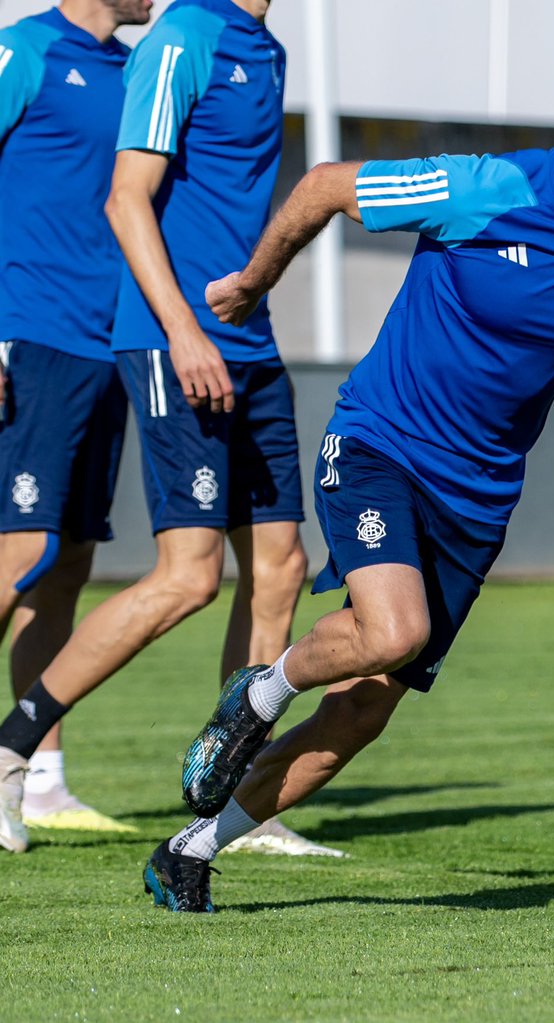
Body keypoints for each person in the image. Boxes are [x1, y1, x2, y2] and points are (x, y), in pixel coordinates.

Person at [138, 57, 554, 911]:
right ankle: (262, 690)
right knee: (394, 630)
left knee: (361, 715)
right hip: (380, 445)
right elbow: (325, 185)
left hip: (478, 501)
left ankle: (189, 850)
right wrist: (253, 282)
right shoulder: (484, 189)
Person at [0, 0, 341, 858]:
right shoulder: (180, 36)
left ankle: (238, 805)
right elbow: (128, 199)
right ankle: (11, 749)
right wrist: (184, 330)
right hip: (156, 339)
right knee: (179, 576)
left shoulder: (259, 48)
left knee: (279, 567)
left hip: (241, 341)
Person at [0, 0, 155, 854]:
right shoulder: (23, 50)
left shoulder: (134, 69)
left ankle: (39, 778)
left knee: (65, 567)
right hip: (32, 336)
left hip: (109, 346)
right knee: (18, 554)